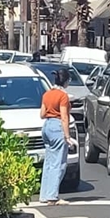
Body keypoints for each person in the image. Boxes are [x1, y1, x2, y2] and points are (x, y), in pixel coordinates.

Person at [38, 69, 75, 205]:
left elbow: (42, 114)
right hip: (57, 127)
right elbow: (64, 117)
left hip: (47, 126)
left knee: (48, 162)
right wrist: (67, 136)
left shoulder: (47, 94)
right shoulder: (63, 96)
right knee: (58, 163)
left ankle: (44, 194)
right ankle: (52, 196)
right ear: (66, 81)